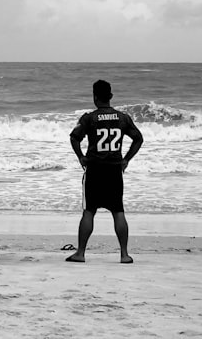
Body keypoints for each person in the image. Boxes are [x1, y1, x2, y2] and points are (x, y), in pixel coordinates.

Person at [65, 79, 144, 264]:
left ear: (94, 96)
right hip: (114, 170)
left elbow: (74, 138)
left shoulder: (89, 118)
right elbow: (138, 139)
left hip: (94, 169)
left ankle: (81, 253)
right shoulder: (123, 118)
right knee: (118, 211)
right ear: (110, 96)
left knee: (89, 211)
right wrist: (126, 159)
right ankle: (124, 254)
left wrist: (80, 157)